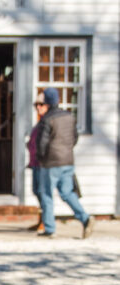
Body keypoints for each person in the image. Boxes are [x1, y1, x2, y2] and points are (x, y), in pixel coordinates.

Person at [36, 87, 94, 239]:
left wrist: (41, 158)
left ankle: (49, 228)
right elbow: (74, 138)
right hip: (68, 160)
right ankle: (85, 218)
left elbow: (42, 143)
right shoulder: (69, 116)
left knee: (47, 195)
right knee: (67, 193)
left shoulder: (48, 119)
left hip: (51, 162)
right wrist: (66, 151)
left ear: (47, 101)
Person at [26, 104, 45, 233]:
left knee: (42, 193)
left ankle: (45, 221)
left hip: (43, 164)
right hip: (35, 163)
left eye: (41, 105)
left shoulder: (47, 122)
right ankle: (42, 219)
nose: (38, 107)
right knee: (36, 191)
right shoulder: (39, 123)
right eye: (36, 105)